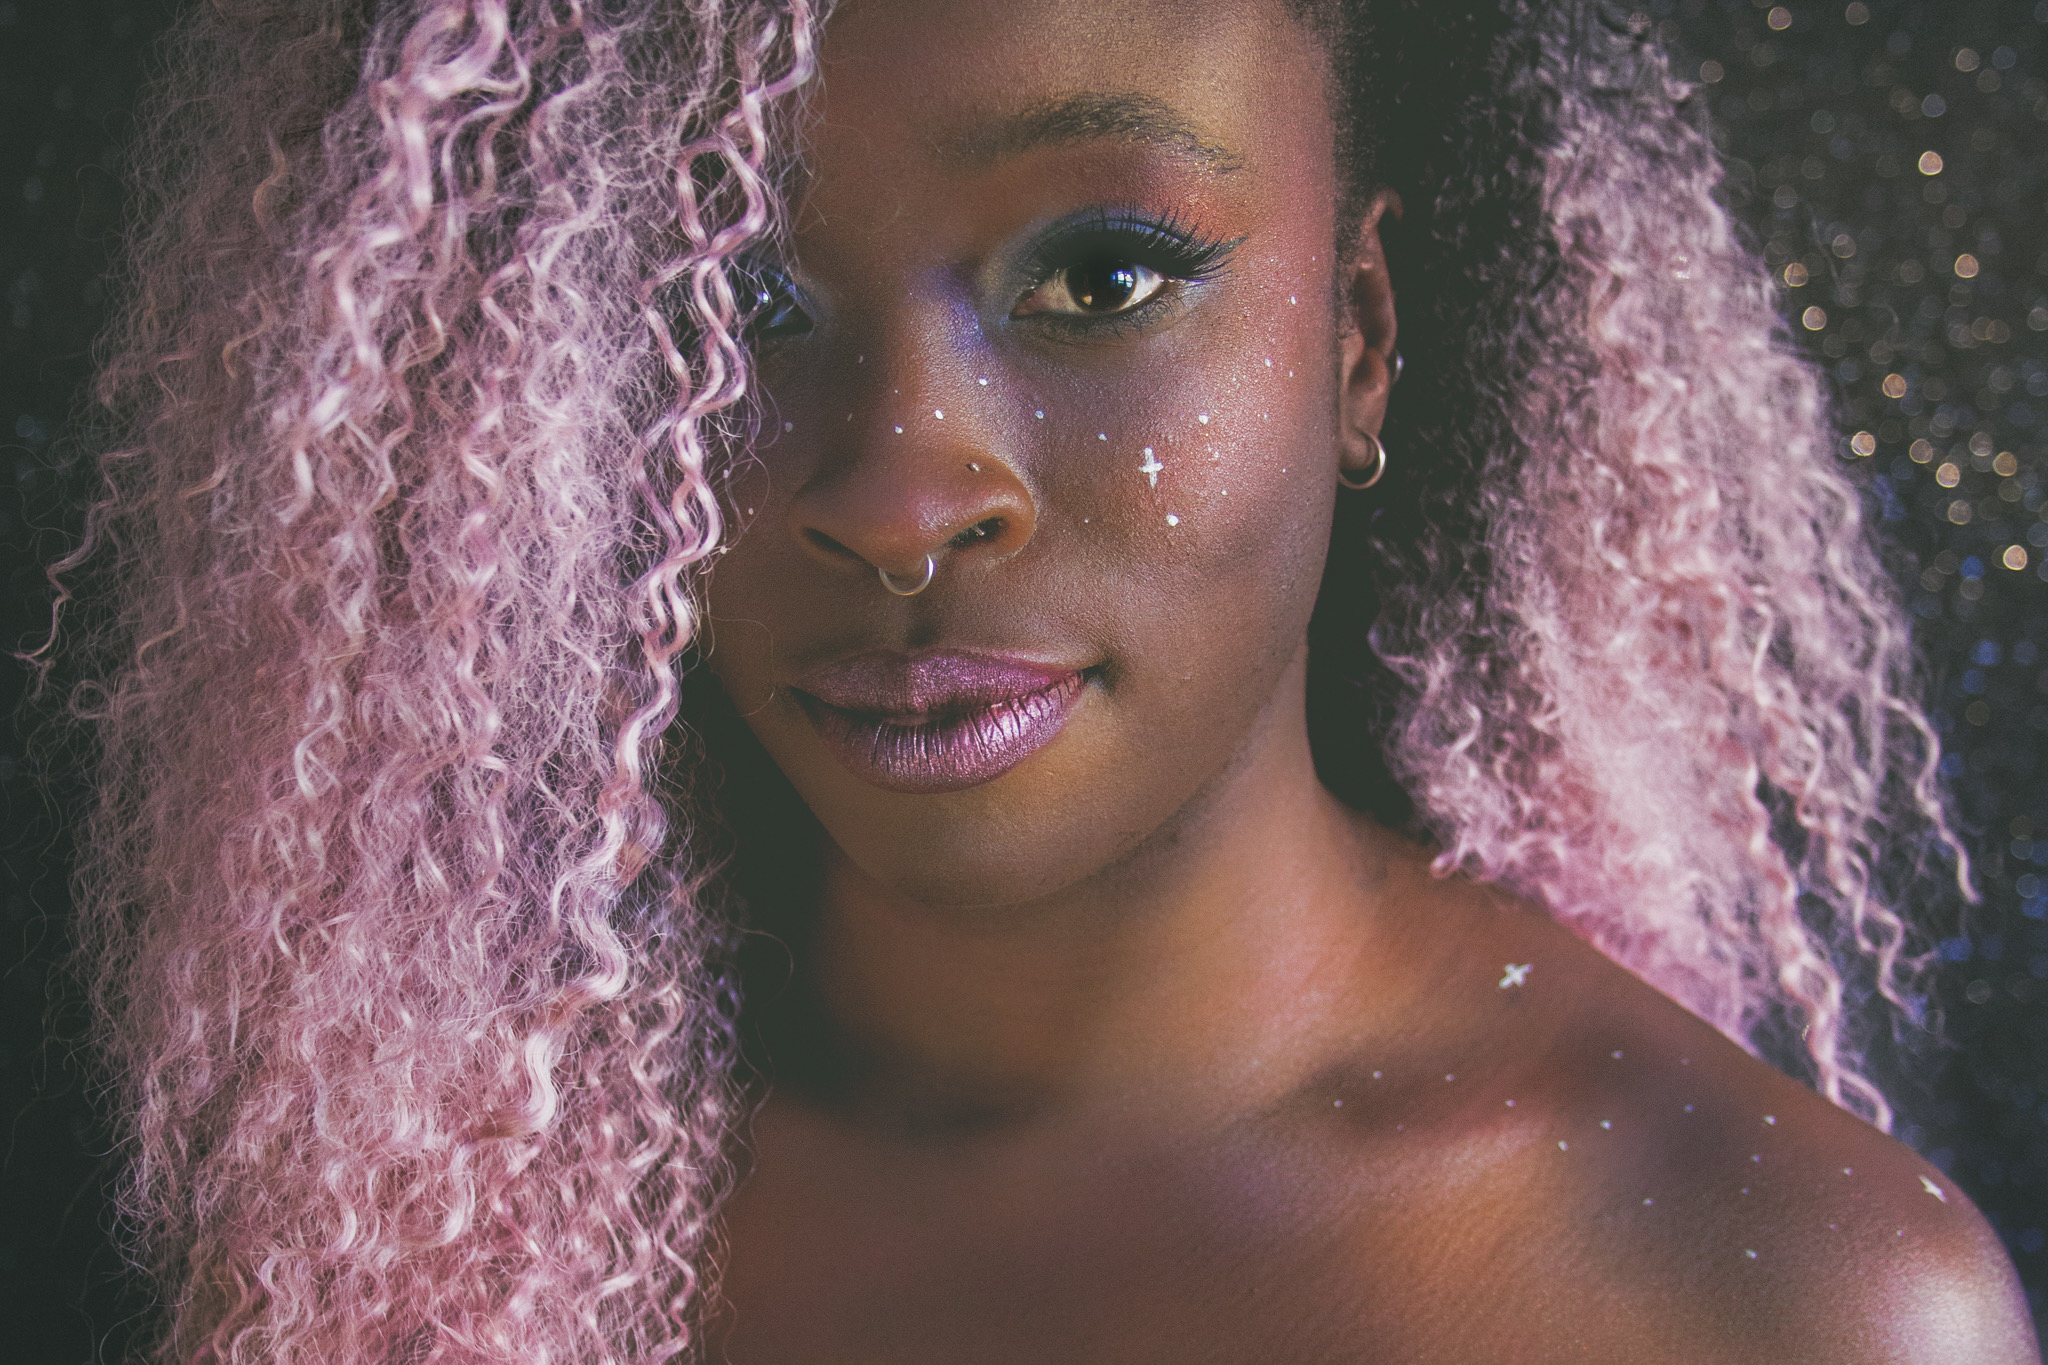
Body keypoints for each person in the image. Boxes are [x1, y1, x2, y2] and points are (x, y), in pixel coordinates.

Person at [45, 0, 2039, 1360]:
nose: (900, 493)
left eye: (1098, 270)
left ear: (1355, 334)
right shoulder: (421, 1234)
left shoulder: (1770, 1303)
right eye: (732, 299)